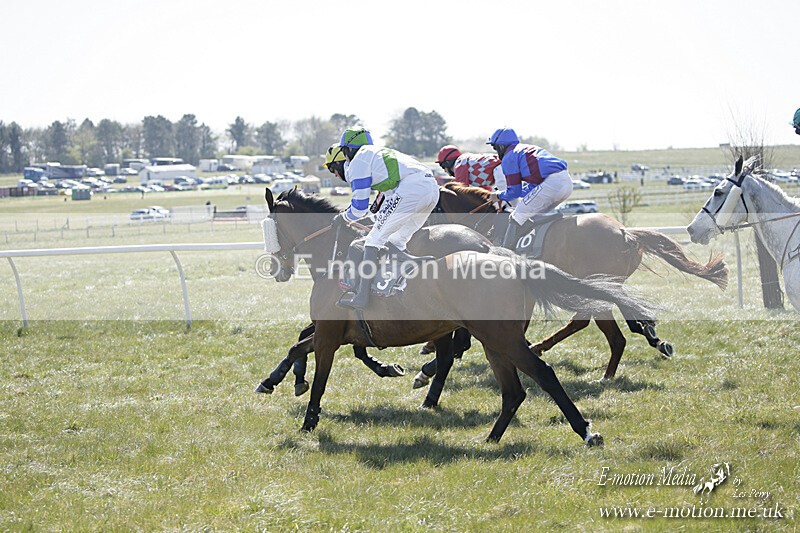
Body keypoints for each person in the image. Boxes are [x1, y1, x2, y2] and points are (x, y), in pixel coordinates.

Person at [331, 128, 439, 310]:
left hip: (412, 190)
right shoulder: (375, 156)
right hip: (431, 190)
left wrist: (342, 218)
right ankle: (409, 269)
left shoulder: (358, 161)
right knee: (396, 239)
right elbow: (390, 198)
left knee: (374, 240)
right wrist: (378, 220)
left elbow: (359, 208)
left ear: (349, 150)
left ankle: (361, 297)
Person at [486, 128, 572, 248]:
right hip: (566, 181)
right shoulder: (525, 149)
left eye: (495, 148)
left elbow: (514, 192)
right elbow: (528, 189)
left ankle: (506, 254)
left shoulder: (509, 157)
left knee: (516, 216)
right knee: (533, 215)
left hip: (552, 184)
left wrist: (498, 195)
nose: (495, 152)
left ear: (501, 146)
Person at [435, 145, 506, 191]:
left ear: (448, 163)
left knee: (499, 205)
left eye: (442, 166)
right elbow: (485, 191)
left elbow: (462, 191)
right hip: (502, 168)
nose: (444, 171)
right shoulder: (464, 161)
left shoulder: (459, 164)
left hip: (500, 170)